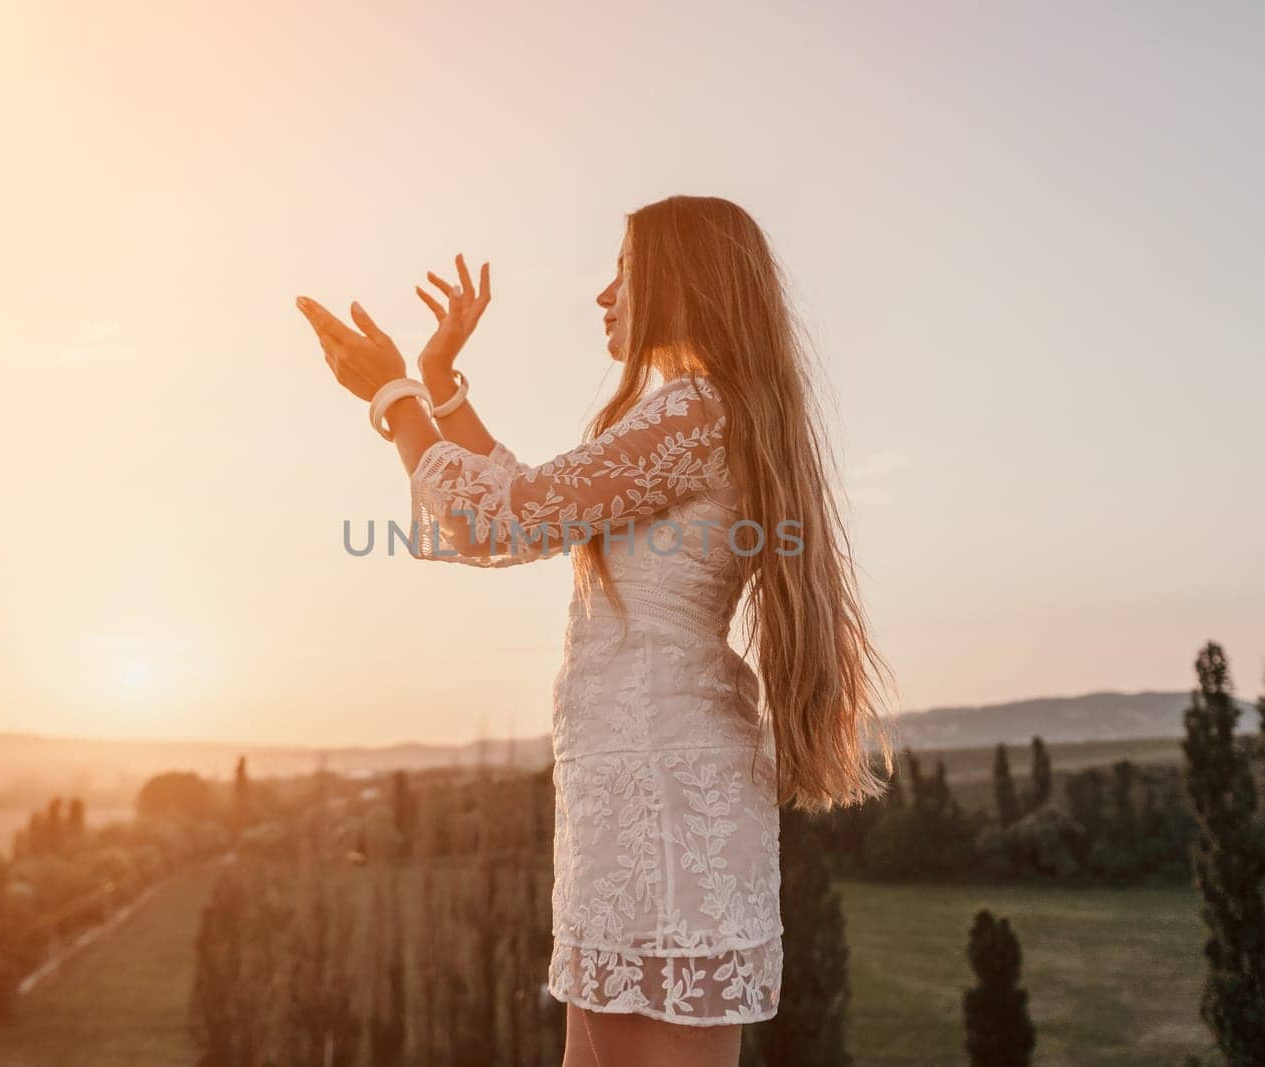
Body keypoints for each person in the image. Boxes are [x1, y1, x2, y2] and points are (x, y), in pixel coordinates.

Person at [296, 194, 894, 1067]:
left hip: (654, 782)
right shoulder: (699, 414)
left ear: (680, 283)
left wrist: (392, 394)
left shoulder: (693, 413)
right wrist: (441, 386)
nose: (605, 293)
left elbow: (499, 522)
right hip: (639, 776)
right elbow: (532, 498)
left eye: (624, 269)